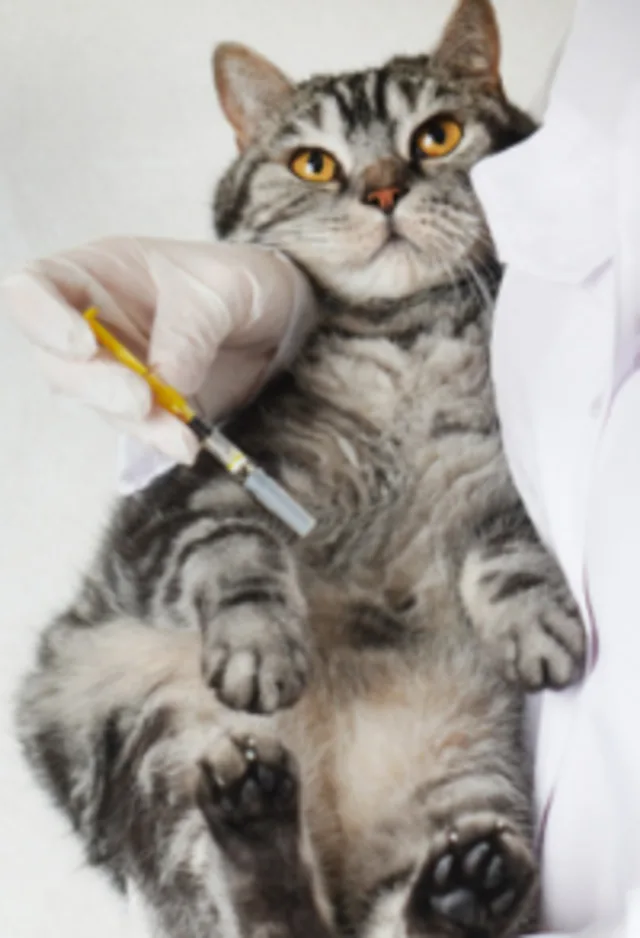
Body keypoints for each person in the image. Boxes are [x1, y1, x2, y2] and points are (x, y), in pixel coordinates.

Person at [3, 0, 640, 935]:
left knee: (460, 797)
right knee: (133, 686)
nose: (382, 187)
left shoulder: (526, 322)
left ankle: (347, 909)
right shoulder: (271, 368)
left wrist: (498, 563)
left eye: (438, 135)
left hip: (419, 682)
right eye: (312, 165)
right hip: (225, 683)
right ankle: (270, 897)